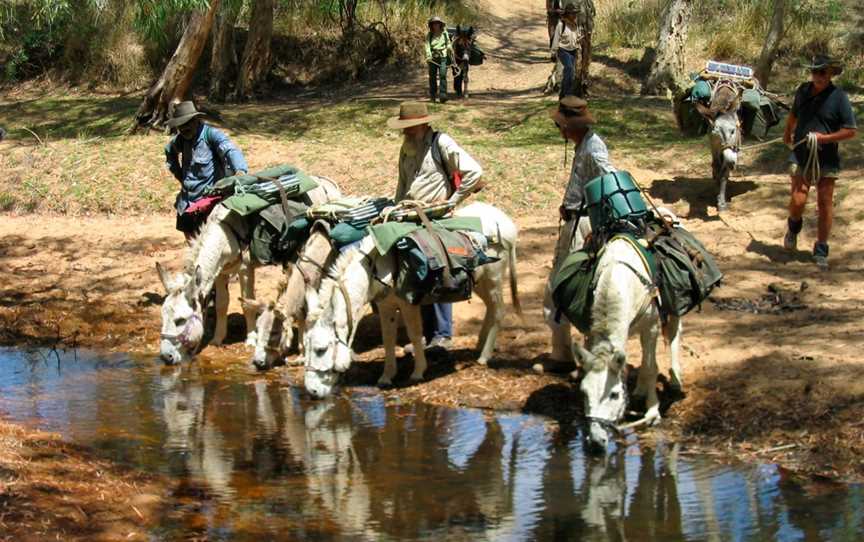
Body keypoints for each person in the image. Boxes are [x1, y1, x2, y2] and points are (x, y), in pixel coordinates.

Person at [387, 101, 484, 351]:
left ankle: (443, 334)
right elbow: (402, 183)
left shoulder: (442, 143)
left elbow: (474, 172)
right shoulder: (406, 148)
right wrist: (396, 209)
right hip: (411, 216)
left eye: (409, 127)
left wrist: (451, 201)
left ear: (422, 124)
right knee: (414, 269)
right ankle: (425, 332)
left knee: (439, 266)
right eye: (404, 127)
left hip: (438, 216)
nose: (405, 132)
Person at [543, 96, 615, 363]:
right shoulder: (584, 145)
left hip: (584, 225)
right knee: (563, 287)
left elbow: (609, 178)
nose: (559, 130)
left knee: (570, 287)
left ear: (568, 127)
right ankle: (564, 352)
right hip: (576, 221)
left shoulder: (594, 148)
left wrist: (598, 224)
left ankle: (577, 355)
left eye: (559, 125)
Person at [782, 54, 857, 270]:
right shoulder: (803, 90)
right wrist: (788, 132)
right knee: (797, 200)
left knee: (824, 204)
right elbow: (794, 115)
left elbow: (850, 131)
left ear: (831, 74)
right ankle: (793, 227)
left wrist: (825, 138)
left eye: (822, 72)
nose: (818, 76)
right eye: (815, 71)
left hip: (827, 157)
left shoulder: (839, 97)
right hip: (801, 152)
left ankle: (821, 249)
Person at [164, 101, 248, 241]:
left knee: (210, 245)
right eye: (181, 126)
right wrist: (179, 175)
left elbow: (230, 151)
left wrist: (240, 171)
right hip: (187, 201)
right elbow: (169, 152)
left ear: (196, 120)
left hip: (208, 200)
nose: (184, 129)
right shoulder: (180, 140)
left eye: (187, 124)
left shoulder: (212, 135)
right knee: (191, 242)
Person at [549, 3, 582, 98]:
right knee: (569, 68)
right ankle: (567, 93)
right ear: (568, 14)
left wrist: (579, 41)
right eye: (573, 13)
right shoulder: (561, 25)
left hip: (573, 51)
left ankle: (563, 94)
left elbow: (576, 37)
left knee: (571, 73)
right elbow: (556, 38)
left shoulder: (575, 25)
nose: (575, 15)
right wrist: (553, 52)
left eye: (575, 13)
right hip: (563, 51)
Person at [425, 16, 452, 104]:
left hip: (443, 57)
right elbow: (427, 46)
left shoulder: (444, 33)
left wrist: (449, 47)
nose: (436, 25)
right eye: (434, 24)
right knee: (432, 77)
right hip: (433, 58)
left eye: (437, 23)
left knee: (443, 75)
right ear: (431, 25)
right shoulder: (429, 35)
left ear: (440, 24)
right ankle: (433, 95)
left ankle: (443, 95)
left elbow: (448, 42)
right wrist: (428, 55)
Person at [452, 26, 474, 99]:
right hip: (457, 58)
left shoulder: (468, 41)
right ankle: (458, 89)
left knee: (465, 73)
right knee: (456, 73)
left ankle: (464, 90)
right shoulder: (457, 42)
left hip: (465, 58)